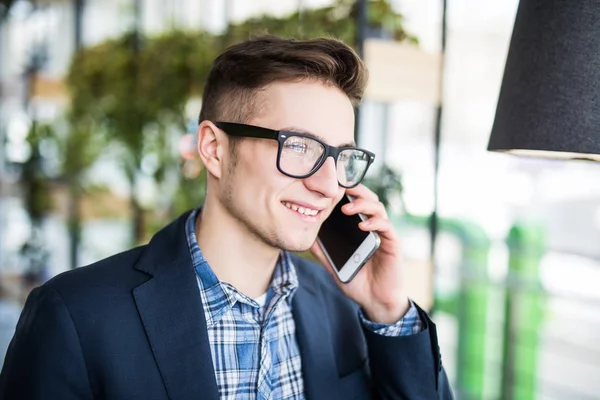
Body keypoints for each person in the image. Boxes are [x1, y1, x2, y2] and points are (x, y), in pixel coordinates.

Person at [0, 35, 453, 399]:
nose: (329, 185)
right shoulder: (76, 316)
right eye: (298, 147)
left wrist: (389, 311)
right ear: (214, 149)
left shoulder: (343, 309)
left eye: (341, 157)